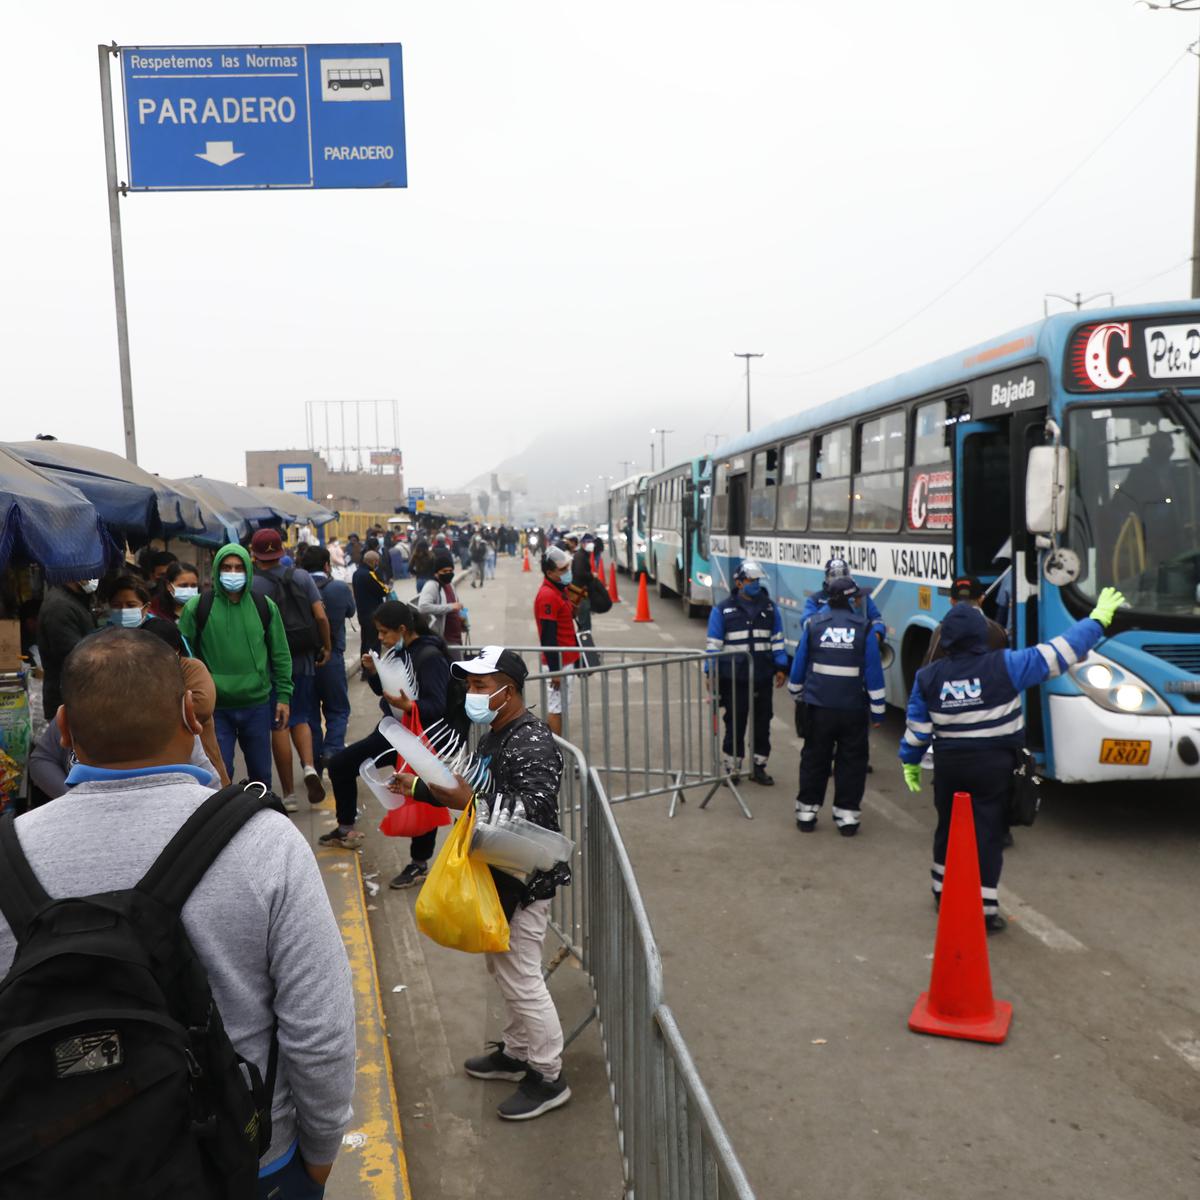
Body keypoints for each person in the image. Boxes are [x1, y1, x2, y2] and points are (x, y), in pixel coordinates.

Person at [0, 628, 357, 1195]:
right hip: (244, 1162)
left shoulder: (9, 855)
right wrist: (317, 1154)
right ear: (192, 717)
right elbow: (321, 1031)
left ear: (64, 728)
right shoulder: (265, 843)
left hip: (58, 1167)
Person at [398, 646, 573, 1121]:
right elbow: (480, 790)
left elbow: (533, 813)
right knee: (505, 971)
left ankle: (548, 1075)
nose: (471, 694)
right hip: (500, 875)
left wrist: (469, 794)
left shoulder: (531, 741)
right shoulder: (497, 732)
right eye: (470, 685)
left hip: (524, 881)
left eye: (480, 685)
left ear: (508, 691)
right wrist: (418, 787)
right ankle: (517, 1054)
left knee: (521, 978)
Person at [899, 586, 1126, 932]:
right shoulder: (1006, 665)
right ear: (982, 634)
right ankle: (985, 908)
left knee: (948, 828)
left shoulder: (928, 676)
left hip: (950, 766)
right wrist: (1096, 620)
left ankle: (941, 892)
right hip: (994, 766)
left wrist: (910, 762)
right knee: (988, 833)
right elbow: (1060, 652)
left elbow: (917, 729)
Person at [322, 602, 454, 853]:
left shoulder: (430, 657)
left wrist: (410, 706)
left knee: (421, 797)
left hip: (419, 737)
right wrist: (373, 673)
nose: (380, 638)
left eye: (384, 632)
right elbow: (386, 695)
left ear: (402, 628)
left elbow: (437, 705)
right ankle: (345, 828)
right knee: (341, 765)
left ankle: (419, 862)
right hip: (393, 730)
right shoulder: (399, 652)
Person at [178, 544, 293, 797]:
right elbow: (183, 655)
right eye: (227, 567)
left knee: (261, 776)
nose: (233, 573)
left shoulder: (265, 607)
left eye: (239, 567)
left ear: (248, 570)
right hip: (215, 709)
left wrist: (283, 696)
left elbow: (281, 654)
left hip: (257, 705)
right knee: (220, 775)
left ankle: (264, 824)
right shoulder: (197, 608)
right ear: (217, 570)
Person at [789, 576, 886, 834]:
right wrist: (878, 709)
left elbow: (799, 664)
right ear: (850, 600)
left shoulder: (814, 625)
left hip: (818, 708)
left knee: (814, 759)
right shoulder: (864, 628)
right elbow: (874, 672)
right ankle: (847, 818)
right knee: (852, 761)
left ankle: (806, 814)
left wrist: (796, 692)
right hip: (853, 709)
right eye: (857, 598)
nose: (859, 601)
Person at [249, 529, 331, 809]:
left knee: (279, 724)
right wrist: (326, 646)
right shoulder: (302, 576)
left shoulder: (252, 586)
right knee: (303, 717)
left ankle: (289, 795)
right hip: (303, 658)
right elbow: (320, 615)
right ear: (282, 551)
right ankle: (309, 766)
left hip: (271, 664)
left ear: (253, 554)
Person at [705, 560, 788, 785]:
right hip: (734, 678)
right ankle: (732, 768)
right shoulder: (722, 609)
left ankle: (759, 766)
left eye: (758, 580)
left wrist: (781, 667)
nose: (756, 584)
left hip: (761, 676)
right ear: (739, 582)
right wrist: (709, 672)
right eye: (752, 580)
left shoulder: (770, 608)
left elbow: (777, 641)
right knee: (735, 722)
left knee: (763, 723)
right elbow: (714, 644)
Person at [300, 545, 356, 768]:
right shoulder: (339, 588)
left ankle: (313, 759)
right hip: (332, 657)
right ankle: (332, 751)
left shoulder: (297, 587)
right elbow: (351, 612)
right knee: (338, 709)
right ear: (326, 565)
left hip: (303, 660)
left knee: (309, 712)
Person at [36, 575, 98, 719]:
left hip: (74, 700)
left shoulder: (75, 600)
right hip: (68, 703)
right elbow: (74, 659)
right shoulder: (60, 606)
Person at [535, 546, 581, 737]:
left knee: (562, 708)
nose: (567, 572)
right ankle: (554, 757)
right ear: (550, 572)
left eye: (567, 568)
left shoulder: (559, 589)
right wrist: (555, 671)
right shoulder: (547, 595)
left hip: (567, 660)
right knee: (556, 710)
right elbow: (548, 636)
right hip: (558, 663)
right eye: (562, 570)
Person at [923, 576, 1008, 664]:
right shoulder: (998, 631)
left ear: (951, 601)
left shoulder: (941, 631)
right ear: (981, 599)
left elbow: (928, 667)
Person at [801, 558, 885, 638]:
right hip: (827, 643)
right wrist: (830, 605)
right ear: (826, 579)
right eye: (834, 575)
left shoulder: (860, 597)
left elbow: (877, 619)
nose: (840, 580)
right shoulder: (815, 599)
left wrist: (876, 634)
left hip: (858, 642)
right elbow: (806, 624)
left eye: (844, 574)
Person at [417, 550, 464, 640]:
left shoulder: (450, 585)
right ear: (436, 573)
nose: (448, 573)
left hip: (456, 635)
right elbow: (423, 607)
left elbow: (454, 606)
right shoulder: (432, 585)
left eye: (450, 570)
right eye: (444, 571)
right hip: (443, 638)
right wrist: (451, 607)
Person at [353, 549, 391, 659]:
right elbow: (383, 590)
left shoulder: (356, 573)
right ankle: (373, 669)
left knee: (365, 642)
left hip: (362, 613)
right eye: (377, 561)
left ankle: (365, 667)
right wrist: (388, 588)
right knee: (374, 644)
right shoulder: (370, 574)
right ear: (374, 561)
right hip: (373, 614)